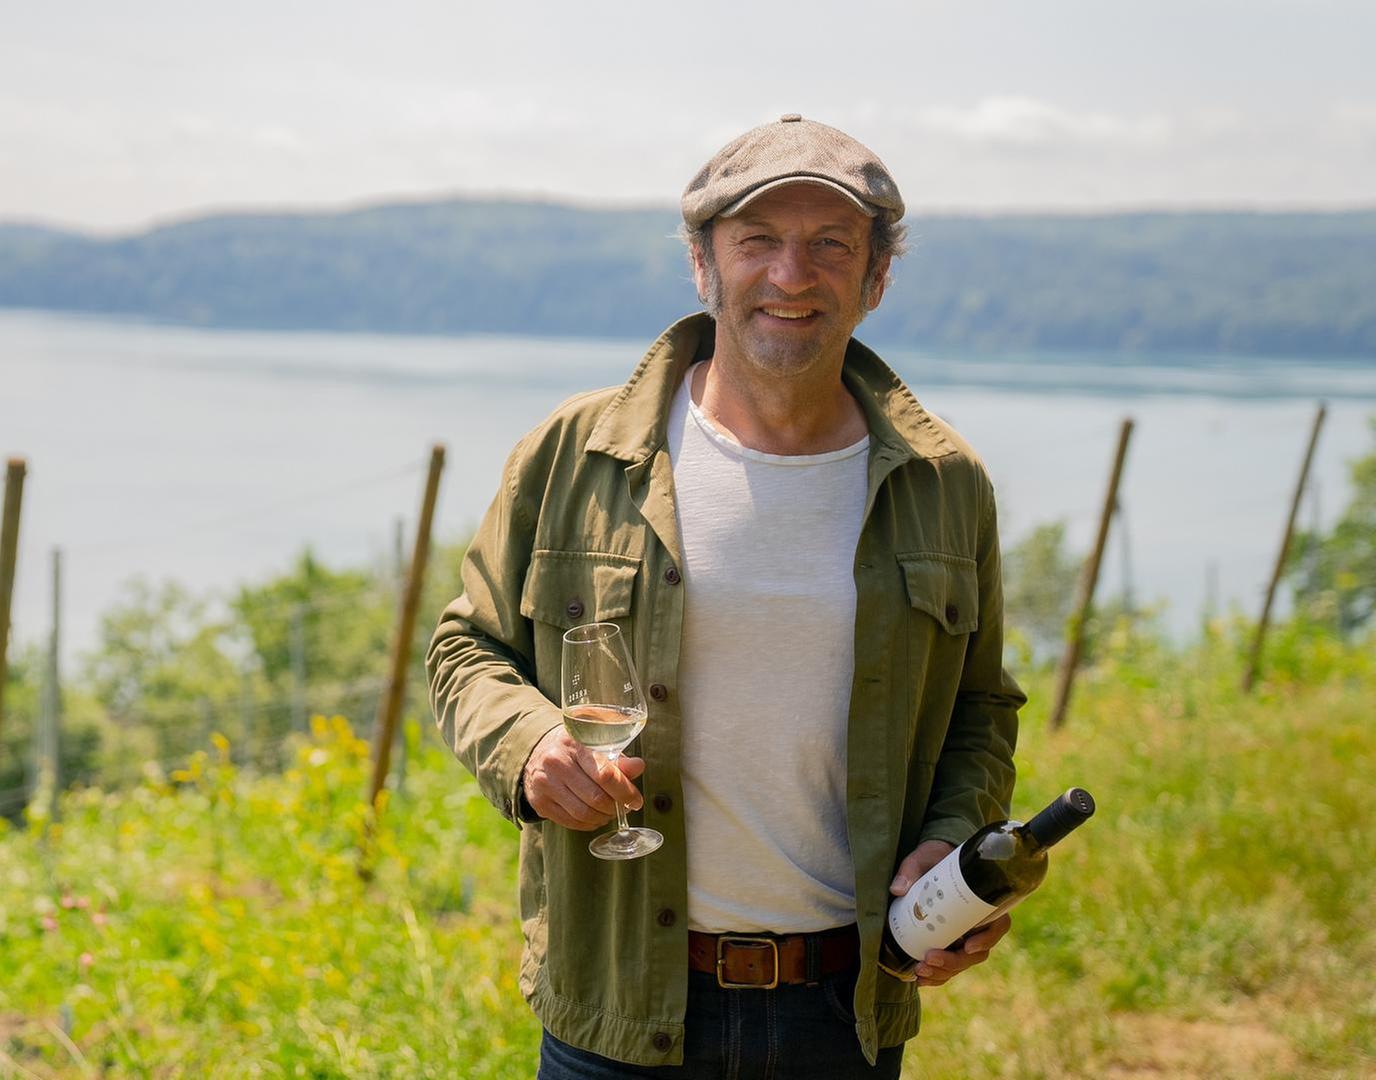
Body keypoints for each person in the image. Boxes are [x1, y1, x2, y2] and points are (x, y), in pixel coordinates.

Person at [426, 114, 1023, 1077]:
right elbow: (466, 650)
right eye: (757, 241)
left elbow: (980, 710)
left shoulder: (945, 482)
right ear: (702, 265)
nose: (792, 274)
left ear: (876, 279)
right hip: (615, 1004)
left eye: (832, 245)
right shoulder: (574, 453)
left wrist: (954, 844)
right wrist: (529, 745)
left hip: (841, 1014)